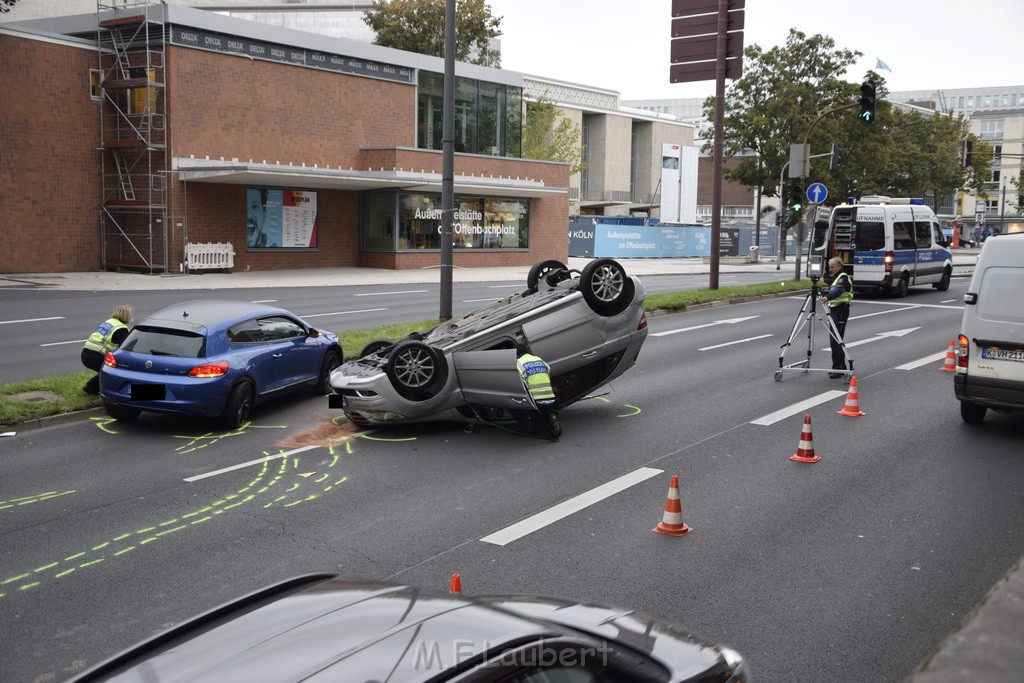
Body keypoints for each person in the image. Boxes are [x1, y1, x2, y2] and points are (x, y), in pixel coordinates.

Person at [81, 304, 133, 394]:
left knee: (104, 371)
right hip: (95, 355)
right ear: (127, 316)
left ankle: (90, 389)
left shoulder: (109, 322)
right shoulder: (121, 328)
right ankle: (96, 390)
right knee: (111, 372)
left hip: (86, 353)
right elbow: (124, 347)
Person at [818, 257, 853, 379]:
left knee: (836, 339)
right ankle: (838, 367)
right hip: (835, 310)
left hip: (841, 310)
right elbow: (833, 290)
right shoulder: (836, 278)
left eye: (832, 267)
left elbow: (839, 290)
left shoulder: (843, 277)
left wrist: (827, 297)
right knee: (835, 339)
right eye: (829, 267)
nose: (830, 269)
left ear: (839, 266)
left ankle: (839, 368)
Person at [516, 342, 559, 436]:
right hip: (550, 396)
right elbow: (548, 369)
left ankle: (539, 430)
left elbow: (519, 381)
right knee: (548, 412)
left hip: (536, 399)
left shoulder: (518, 364)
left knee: (534, 415)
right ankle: (552, 418)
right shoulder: (538, 359)